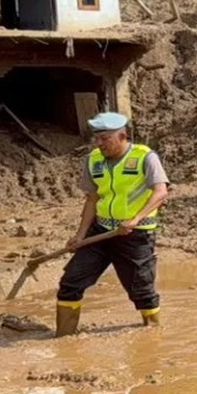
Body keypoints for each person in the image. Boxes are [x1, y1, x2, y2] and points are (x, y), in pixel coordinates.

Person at [54, 111, 170, 337]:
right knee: (70, 283)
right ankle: (63, 338)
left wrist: (135, 218)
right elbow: (92, 198)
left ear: (122, 136)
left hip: (134, 235)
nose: (99, 143)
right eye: (97, 138)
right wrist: (80, 235)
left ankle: (153, 336)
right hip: (100, 232)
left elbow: (160, 192)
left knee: (141, 291)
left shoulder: (145, 157)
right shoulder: (93, 160)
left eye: (105, 138)